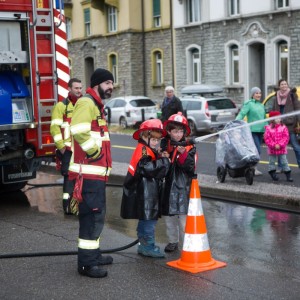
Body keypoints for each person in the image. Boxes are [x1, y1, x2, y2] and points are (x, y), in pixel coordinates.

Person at [69, 68, 114, 278]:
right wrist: (94, 152)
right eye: (107, 83)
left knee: (96, 216)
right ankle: (87, 264)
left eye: (111, 83)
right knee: (91, 218)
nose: (111, 87)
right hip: (89, 175)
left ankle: (93, 255)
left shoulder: (96, 105)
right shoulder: (87, 103)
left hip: (95, 174)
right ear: (96, 84)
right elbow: (78, 130)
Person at [121, 119, 170, 258]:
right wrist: (165, 161)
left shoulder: (146, 149)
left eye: (157, 139)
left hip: (145, 192)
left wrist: (159, 156)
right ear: (143, 136)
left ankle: (144, 244)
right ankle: (148, 246)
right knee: (149, 220)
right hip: (145, 193)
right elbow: (148, 168)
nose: (155, 142)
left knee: (145, 218)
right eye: (152, 139)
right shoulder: (144, 150)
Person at [160, 112, 197, 252]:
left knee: (183, 220)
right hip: (168, 187)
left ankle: (187, 244)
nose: (178, 134)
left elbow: (190, 167)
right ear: (169, 131)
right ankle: (172, 241)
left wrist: (183, 155)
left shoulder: (190, 147)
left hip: (183, 187)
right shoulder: (164, 145)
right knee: (169, 219)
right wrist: (163, 156)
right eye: (175, 131)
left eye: (181, 131)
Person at [50, 78, 83, 215]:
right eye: (76, 88)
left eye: (81, 88)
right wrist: (62, 147)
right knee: (69, 179)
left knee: (82, 177)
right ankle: (68, 208)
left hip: (81, 149)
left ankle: (79, 206)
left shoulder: (83, 105)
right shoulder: (61, 106)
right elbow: (54, 128)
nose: (79, 91)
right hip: (68, 150)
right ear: (69, 89)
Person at [236, 87, 267, 175]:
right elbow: (242, 113)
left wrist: (267, 128)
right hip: (252, 130)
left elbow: (264, 118)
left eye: (259, 93)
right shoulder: (249, 104)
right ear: (252, 95)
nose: (258, 95)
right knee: (257, 150)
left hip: (260, 131)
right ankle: (253, 168)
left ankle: (251, 167)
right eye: (256, 93)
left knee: (256, 150)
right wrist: (236, 122)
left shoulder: (261, 105)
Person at [272, 79, 300, 170]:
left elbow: (297, 109)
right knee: (280, 147)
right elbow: (273, 111)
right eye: (282, 84)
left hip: (290, 125)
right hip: (279, 126)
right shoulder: (276, 96)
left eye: (285, 84)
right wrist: (271, 124)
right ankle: (281, 167)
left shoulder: (292, 95)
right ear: (279, 86)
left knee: (296, 147)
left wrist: (299, 122)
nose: (284, 86)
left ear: (287, 85)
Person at [264, 111, 293, 182]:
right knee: (272, 161)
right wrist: (274, 145)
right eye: (275, 118)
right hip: (272, 149)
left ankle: (288, 175)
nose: (278, 119)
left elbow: (286, 137)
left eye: (279, 118)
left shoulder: (283, 127)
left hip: (282, 149)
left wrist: (280, 145)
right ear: (272, 119)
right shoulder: (268, 128)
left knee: (284, 161)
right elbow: (267, 138)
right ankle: (272, 173)